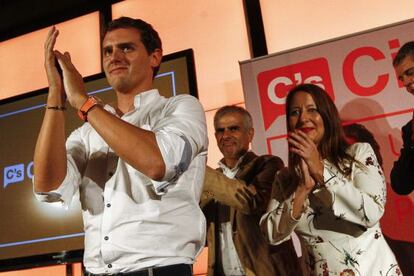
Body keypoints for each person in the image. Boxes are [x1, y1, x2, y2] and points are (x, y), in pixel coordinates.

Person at [33, 17, 208, 275]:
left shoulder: (180, 108)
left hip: (159, 269)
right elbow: (47, 187)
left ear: (155, 57)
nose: (114, 57)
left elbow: (158, 163)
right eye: (107, 51)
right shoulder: (86, 132)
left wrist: (83, 101)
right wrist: (55, 95)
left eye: (126, 48)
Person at [260, 84, 401, 275]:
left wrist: (321, 172)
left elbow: (371, 213)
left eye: (312, 110)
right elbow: (271, 234)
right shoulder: (285, 178)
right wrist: (301, 189)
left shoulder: (358, 155)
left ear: (327, 116)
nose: (303, 118)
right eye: (295, 112)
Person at [200, 105, 305, 276]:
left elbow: (252, 202)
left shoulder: (268, 164)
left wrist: (201, 171)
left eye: (233, 129)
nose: (225, 135)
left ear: (250, 134)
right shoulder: (210, 179)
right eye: (220, 131)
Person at [390, 41, 414, 195]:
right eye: (401, 78)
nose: (406, 82)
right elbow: (401, 185)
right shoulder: (410, 130)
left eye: (410, 72)